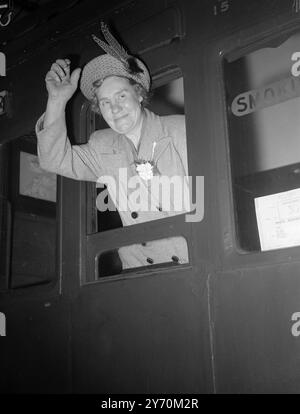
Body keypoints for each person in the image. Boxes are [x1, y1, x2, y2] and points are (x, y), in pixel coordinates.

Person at [36, 22, 190, 272]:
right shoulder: (102, 146)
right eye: (105, 102)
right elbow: (53, 160)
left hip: (187, 265)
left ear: (139, 94)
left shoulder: (179, 131)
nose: (114, 108)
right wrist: (56, 100)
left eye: (121, 96)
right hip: (137, 271)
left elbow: (207, 207)